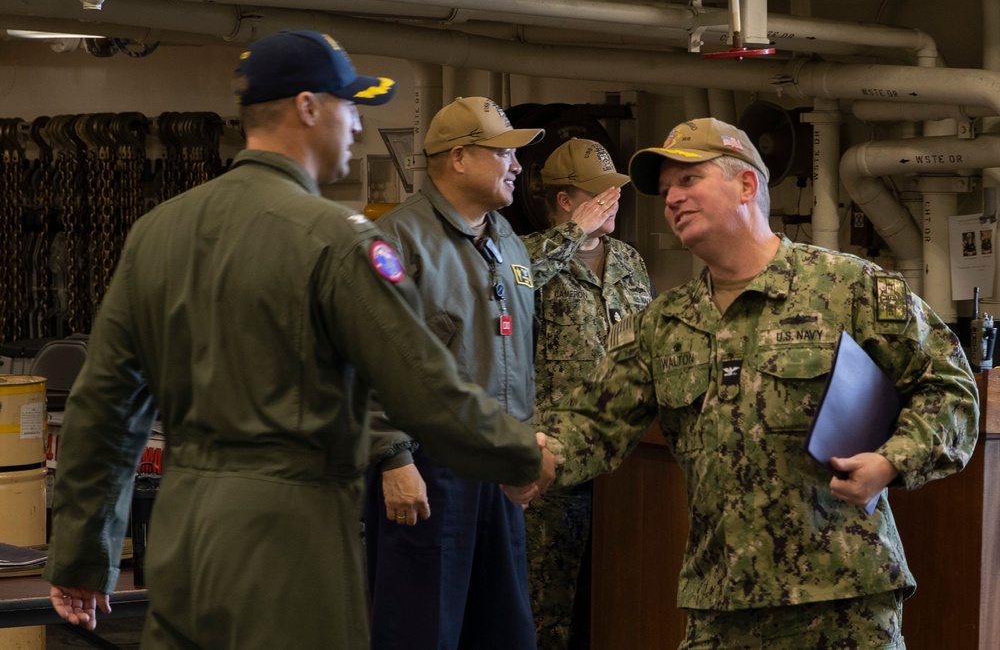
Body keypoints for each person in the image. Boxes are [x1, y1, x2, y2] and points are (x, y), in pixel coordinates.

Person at [42, 31, 554, 650]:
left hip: (184, 543)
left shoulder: (157, 232)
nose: (359, 129)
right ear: (308, 108)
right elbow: (426, 388)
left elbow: (103, 408)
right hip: (292, 543)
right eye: (351, 107)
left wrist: (81, 557)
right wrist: (524, 454)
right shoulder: (339, 240)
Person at [518, 117, 980, 648]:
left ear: (746, 185)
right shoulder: (664, 322)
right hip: (722, 605)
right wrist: (539, 459)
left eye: (688, 180)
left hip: (842, 597)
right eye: (666, 189)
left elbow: (949, 386)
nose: (671, 199)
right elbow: (592, 423)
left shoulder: (845, 288)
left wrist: (892, 460)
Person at [363, 96, 545, 650]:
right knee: (423, 630)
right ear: (460, 158)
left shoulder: (507, 240)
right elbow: (367, 354)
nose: (516, 166)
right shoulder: (395, 242)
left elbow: (517, 353)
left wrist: (522, 452)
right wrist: (393, 456)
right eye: (503, 154)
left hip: (497, 466)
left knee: (505, 632)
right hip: (427, 473)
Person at [519, 138, 653, 649]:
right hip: (554, 456)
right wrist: (574, 235)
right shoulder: (526, 255)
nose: (613, 201)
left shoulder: (630, 262)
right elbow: (509, 285)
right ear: (565, 200)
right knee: (549, 608)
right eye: (599, 195)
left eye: (616, 191)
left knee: (617, 601)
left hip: (626, 460)